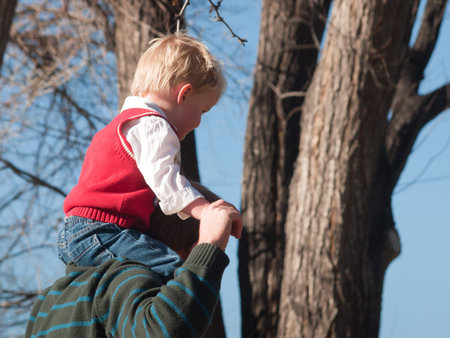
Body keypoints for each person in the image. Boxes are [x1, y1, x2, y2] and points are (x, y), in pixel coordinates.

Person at [57, 33, 242, 280]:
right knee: (172, 270)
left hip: (82, 231)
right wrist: (204, 211)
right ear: (184, 94)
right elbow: (166, 179)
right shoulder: (154, 126)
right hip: (104, 231)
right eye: (202, 111)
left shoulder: (124, 124)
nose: (199, 122)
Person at [26, 198, 241, 338]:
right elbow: (165, 331)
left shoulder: (47, 301)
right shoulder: (122, 280)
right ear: (191, 250)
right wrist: (209, 248)